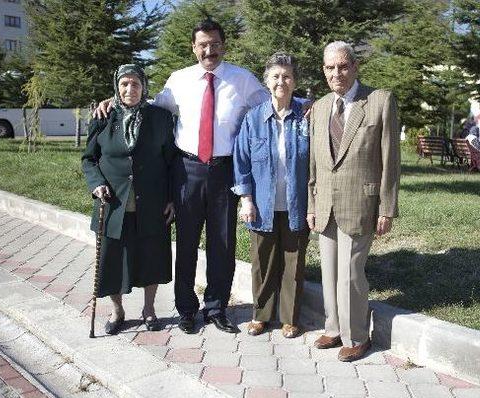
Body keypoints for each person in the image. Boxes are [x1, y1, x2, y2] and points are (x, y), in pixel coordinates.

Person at [95, 19, 268, 334]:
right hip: (186, 171)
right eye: (202, 44)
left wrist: (303, 104)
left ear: (223, 45)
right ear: (194, 47)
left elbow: (271, 105)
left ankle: (216, 308)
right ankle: (186, 309)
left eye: (214, 43)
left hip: (224, 171)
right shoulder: (179, 80)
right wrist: (114, 102)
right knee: (186, 244)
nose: (209, 50)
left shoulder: (242, 80)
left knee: (222, 244)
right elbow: (149, 105)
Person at [307, 41, 400, 362]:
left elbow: (390, 159)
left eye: (343, 66)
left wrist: (387, 208)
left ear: (355, 67)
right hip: (324, 205)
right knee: (329, 271)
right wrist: (310, 204)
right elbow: (315, 164)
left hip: (361, 203)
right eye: (330, 68)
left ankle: (357, 336)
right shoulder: (319, 108)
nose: (337, 73)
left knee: (350, 272)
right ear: (324, 71)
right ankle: (333, 328)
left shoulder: (379, 101)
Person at [82, 64, 176, 335]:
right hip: (113, 203)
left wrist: (171, 198)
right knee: (112, 260)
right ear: (116, 87)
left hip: (152, 202)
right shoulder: (103, 116)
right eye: (124, 84)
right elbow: (89, 159)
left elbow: (171, 163)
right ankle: (117, 311)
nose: (129, 89)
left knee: (151, 257)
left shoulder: (160, 117)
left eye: (135, 84)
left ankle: (149, 309)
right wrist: (96, 183)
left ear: (143, 86)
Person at [232, 53, 310, 338]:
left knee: (293, 263)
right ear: (267, 81)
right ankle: (261, 315)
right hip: (261, 206)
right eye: (276, 76)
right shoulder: (253, 119)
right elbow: (241, 161)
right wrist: (246, 199)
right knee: (262, 263)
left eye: (287, 76)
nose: (281, 81)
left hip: (297, 204)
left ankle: (290, 318)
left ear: (294, 81)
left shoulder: (306, 116)